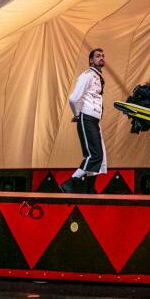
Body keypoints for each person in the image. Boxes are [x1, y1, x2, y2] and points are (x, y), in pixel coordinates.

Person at [62, 48, 106, 193]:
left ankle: (89, 188)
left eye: (102, 56)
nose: (101, 57)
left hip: (94, 119)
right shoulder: (87, 76)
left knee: (100, 156)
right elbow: (74, 98)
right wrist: (77, 114)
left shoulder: (97, 77)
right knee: (94, 155)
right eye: (98, 56)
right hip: (87, 117)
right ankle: (70, 182)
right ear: (91, 60)